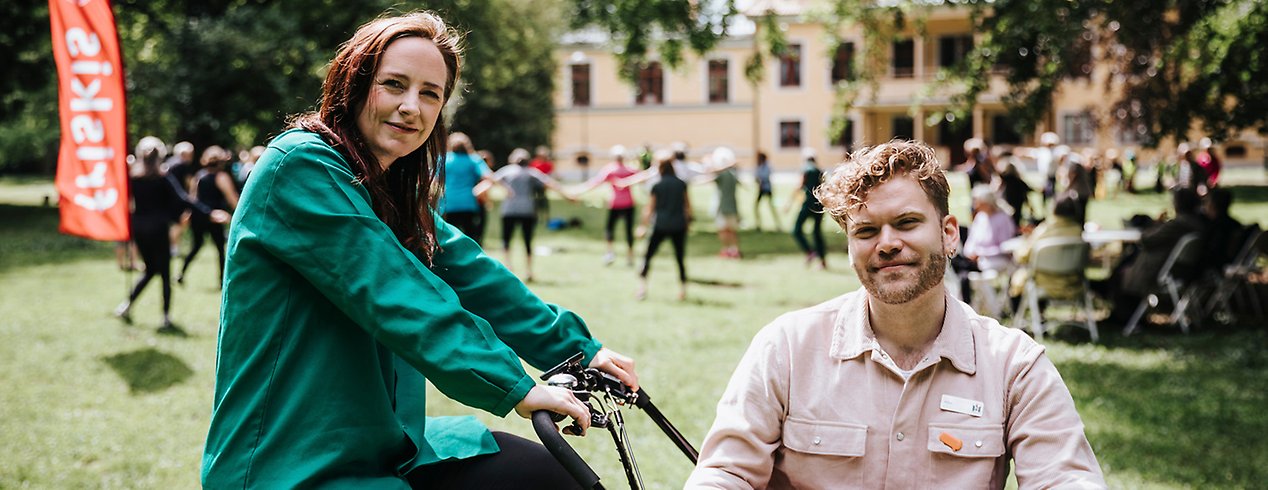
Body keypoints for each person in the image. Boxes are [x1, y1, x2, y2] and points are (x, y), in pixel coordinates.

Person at [201, 13, 639, 489]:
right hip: (290, 461)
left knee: (550, 476)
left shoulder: (389, 190)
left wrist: (581, 350)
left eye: (430, 93)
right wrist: (516, 385)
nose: (412, 106)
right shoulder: (300, 167)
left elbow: (473, 276)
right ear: (354, 83)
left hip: (383, 442)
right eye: (394, 84)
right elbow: (393, 289)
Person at [687, 140, 1106, 488]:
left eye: (906, 223)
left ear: (948, 233)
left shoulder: (1014, 365)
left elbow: (1065, 479)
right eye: (866, 231)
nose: (886, 244)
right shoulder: (787, 348)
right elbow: (725, 472)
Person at [115, 137, 228, 331]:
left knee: (150, 270)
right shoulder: (162, 177)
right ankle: (165, 317)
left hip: (139, 228)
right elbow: (183, 200)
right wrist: (209, 213)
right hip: (158, 229)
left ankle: (127, 305)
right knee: (164, 274)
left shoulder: (133, 178)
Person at [488, 147, 573, 282]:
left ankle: (508, 266)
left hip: (509, 211)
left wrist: (480, 193)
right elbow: (550, 184)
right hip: (527, 211)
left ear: (512, 160)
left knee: (506, 239)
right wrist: (568, 196)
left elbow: (490, 180)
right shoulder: (532, 172)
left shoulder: (506, 170)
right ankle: (529, 271)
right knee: (527, 241)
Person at [176, 145, 239, 288]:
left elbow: (193, 198)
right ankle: (222, 281)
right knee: (220, 249)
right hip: (216, 217)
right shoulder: (221, 177)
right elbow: (232, 199)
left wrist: (189, 214)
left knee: (196, 246)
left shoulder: (199, 175)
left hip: (199, 216)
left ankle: (181, 273)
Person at [1008, 195, 1087, 308]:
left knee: (1016, 276)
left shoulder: (1044, 230)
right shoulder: (1078, 231)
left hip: (1043, 283)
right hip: (1073, 283)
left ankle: (1020, 317)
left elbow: (1022, 256)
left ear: (1053, 209)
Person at [636, 151, 692, 301]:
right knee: (680, 258)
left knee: (647, 256)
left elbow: (650, 208)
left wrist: (642, 226)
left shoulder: (657, 185)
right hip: (678, 225)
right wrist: (688, 223)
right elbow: (687, 206)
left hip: (660, 225)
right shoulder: (681, 184)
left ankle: (642, 288)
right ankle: (683, 290)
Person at [574, 145, 638, 266]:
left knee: (610, 229)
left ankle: (610, 253)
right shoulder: (629, 169)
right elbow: (641, 176)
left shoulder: (610, 169)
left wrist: (578, 191)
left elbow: (595, 182)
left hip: (615, 204)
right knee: (629, 230)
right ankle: (630, 256)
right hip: (629, 203)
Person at [439, 132, 490, 244]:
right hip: (468, 203)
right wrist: (478, 190)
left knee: (448, 238)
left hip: (448, 204)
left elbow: (432, 180)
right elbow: (489, 177)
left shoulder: (444, 159)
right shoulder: (474, 159)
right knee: (470, 238)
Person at [785, 147, 826, 269]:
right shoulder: (820, 171)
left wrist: (788, 203)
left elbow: (799, 185)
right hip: (819, 205)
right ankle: (822, 261)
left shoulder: (806, 169)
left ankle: (809, 251)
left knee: (796, 230)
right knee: (817, 233)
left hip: (808, 204)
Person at [703, 146, 742, 259]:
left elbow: (709, 173)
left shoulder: (722, 175)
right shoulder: (733, 174)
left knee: (723, 230)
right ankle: (734, 250)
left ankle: (726, 250)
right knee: (732, 230)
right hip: (733, 206)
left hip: (721, 207)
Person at [751, 151, 780, 232]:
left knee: (771, 207)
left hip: (767, 188)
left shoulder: (767, 166)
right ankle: (758, 224)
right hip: (761, 189)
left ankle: (778, 225)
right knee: (756, 207)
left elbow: (766, 176)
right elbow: (755, 176)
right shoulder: (758, 166)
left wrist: (760, 180)